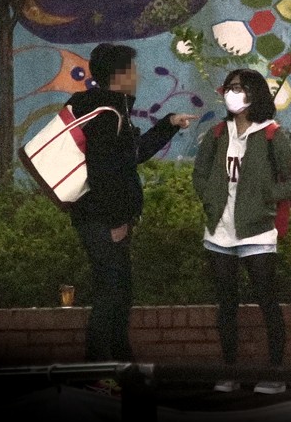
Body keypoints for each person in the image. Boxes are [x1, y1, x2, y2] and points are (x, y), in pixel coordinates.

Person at [67, 43, 197, 379]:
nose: (137, 75)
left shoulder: (102, 109)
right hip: (102, 218)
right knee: (110, 292)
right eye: (133, 69)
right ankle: (97, 372)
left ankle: (121, 365)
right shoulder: (107, 114)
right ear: (120, 74)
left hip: (95, 215)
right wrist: (116, 221)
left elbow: (131, 154)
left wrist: (169, 123)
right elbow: (104, 171)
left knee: (120, 291)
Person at [192, 68, 291, 394]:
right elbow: (199, 174)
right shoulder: (217, 133)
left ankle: (275, 374)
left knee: (267, 301)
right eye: (229, 87)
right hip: (219, 231)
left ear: (254, 94)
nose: (232, 93)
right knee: (226, 304)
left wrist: (266, 195)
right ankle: (230, 372)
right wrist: (210, 199)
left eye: (239, 87)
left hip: (257, 232)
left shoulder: (270, 134)